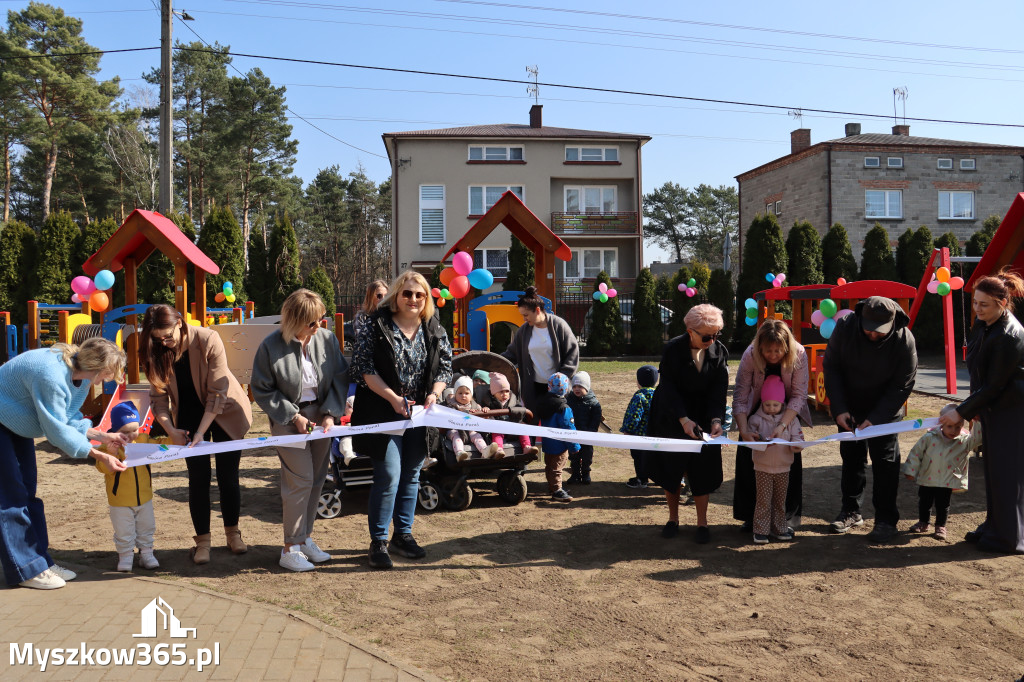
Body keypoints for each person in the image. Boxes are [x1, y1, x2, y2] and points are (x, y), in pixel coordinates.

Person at [0, 338, 129, 589]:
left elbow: (68, 417)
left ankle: (40, 562)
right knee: (10, 497)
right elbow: (56, 430)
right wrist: (99, 455)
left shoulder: (79, 378)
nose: (108, 379)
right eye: (108, 373)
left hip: (14, 422)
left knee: (28, 493)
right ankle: (26, 569)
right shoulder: (51, 375)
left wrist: (103, 436)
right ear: (97, 366)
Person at [351, 270, 453, 569]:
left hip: (420, 414)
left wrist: (435, 393)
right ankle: (379, 541)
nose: (413, 299)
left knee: (411, 475)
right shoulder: (376, 325)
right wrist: (394, 399)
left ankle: (403, 535)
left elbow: (445, 368)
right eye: (407, 293)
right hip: (384, 411)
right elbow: (363, 368)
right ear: (396, 295)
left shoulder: (434, 328)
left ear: (426, 300)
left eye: (419, 295)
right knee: (389, 475)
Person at [140, 304, 253, 564]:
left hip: (224, 412)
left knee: (228, 475)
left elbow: (218, 392)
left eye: (168, 336)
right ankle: (202, 541)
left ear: (179, 323)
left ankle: (233, 534)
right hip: (188, 415)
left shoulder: (208, 339)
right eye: (158, 338)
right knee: (198, 478)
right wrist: (171, 430)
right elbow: (158, 400)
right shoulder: (154, 349)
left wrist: (202, 432)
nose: (165, 343)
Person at [252, 289, 349, 572]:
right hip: (288, 420)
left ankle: (305, 538)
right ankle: (289, 548)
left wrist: (331, 414)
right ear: (293, 320)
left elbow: (340, 378)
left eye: (320, 319)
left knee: (318, 477)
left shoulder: (327, 340)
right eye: (311, 322)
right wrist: (293, 416)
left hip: (321, 416)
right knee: (300, 479)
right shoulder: (270, 345)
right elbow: (261, 388)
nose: (318, 326)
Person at [940, 266, 1024, 553]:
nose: (977, 309)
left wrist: (962, 411)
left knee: (1008, 473)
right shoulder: (985, 324)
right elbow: (980, 375)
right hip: (994, 408)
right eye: (975, 302)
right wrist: (971, 406)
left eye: (983, 304)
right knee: (993, 471)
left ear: (1002, 304)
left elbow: (995, 385)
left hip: (1012, 411)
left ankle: (1009, 537)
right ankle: (995, 526)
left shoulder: (1009, 336)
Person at [823, 296, 917, 542]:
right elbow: (831, 367)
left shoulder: (904, 340)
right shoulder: (845, 327)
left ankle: (886, 519)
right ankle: (851, 511)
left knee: (886, 463)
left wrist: (877, 418)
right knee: (851, 458)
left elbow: (902, 385)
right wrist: (840, 408)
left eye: (880, 332)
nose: (873, 335)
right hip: (850, 408)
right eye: (869, 330)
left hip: (884, 411)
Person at [645, 304, 729, 544]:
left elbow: (719, 390)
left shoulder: (719, 351)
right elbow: (668, 389)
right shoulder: (672, 350)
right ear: (690, 331)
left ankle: (702, 523)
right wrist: (683, 419)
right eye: (706, 336)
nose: (712, 340)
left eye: (716, 335)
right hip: (672, 415)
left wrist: (715, 420)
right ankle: (673, 519)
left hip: (703, 416)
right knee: (672, 468)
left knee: (702, 469)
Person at [732, 319, 811, 531]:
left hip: (787, 412)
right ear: (759, 348)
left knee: (788, 464)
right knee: (750, 464)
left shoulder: (799, 353)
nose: (773, 355)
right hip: (755, 407)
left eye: (778, 350)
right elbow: (740, 396)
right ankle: (752, 517)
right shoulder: (750, 355)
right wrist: (744, 430)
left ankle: (785, 519)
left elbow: (799, 395)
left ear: (787, 348)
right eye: (768, 351)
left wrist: (784, 426)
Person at [98, 402, 171, 572]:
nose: (131, 435)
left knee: (147, 526)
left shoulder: (144, 440)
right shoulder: (108, 445)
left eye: (134, 429)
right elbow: (102, 468)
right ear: (115, 430)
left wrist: (176, 439)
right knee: (123, 530)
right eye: (125, 432)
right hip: (120, 500)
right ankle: (125, 556)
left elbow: (163, 446)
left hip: (144, 498)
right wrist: (111, 454)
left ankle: (147, 554)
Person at [904, 404, 981, 542]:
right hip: (928, 477)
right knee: (925, 501)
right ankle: (923, 522)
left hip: (947, 480)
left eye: (958, 426)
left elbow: (977, 439)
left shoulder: (964, 441)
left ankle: (940, 526)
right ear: (941, 423)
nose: (954, 430)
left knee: (943, 504)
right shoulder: (929, 437)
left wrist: (977, 421)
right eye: (950, 426)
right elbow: (916, 453)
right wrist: (911, 470)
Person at [502, 286, 580, 414]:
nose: (524, 319)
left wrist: (562, 377)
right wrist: (493, 362)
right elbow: (511, 354)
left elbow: (572, 354)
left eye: (526, 315)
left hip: (557, 387)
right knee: (535, 419)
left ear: (537, 310)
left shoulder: (559, 326)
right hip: (534, 386)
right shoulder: (524, 331)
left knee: (555, 422)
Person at [747, 376, 805, 545]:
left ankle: (779, 528)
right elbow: (749, 442)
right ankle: (760, 530)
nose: (771, 408)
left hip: (784, 467)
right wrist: (760, 442)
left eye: (775, 405)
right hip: (762, 467)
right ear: (762, 403)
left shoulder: (791, 420)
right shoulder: (755, 420)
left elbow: (798, 439)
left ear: (782, 403)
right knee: (763, 500)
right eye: (767, 404)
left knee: (780, 500)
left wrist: (796, 447)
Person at [536, 373, 579, 502]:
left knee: (549, 465)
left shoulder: (543, 402)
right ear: (566, 389)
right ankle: (557, 490)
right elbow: (568, 428)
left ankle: (552, 486)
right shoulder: (563, 408)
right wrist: (574, 446)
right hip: (560, 445)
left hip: (548, 442)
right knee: (557, 467)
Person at [479, 372, 537, 457]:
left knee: (522, 428)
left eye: (507, 391)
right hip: (497, 427)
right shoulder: (488, 401)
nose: (505, 394)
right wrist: (485, 409)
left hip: (512, 426)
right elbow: (485, 414)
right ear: (493, 393)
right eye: (501, 392)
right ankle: (498, 449)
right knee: (497, 434)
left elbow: (520, 410)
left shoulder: (513, 400)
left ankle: (526, 447)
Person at [444, 376, 500, 461]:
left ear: (471, 395)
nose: (463, 396)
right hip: (454, 429)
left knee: (477, 435)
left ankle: (484, 450)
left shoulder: (475, 406)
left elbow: (484, 417)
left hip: (470, 429)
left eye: (466, 393)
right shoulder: (450, 404)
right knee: (456, 436)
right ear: (455, 394)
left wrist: (484, 411)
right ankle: (459, 453)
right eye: (460, 393)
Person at [621, 365, 657, 489]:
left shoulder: (639, 397)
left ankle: (642, 479)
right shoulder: (659, 395)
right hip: (656, 435)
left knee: (639, 458)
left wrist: (628, 429)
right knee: (655, 458)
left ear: (638, 382)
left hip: (639, 437)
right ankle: (658, 478)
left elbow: (634, 416)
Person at [566, 371, 602, 485]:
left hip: (587, 434)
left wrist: (592, 430)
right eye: (574, 386)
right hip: (573, 434)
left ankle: (586, 473)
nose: (577, 389)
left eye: (580, 386)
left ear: (586, 387)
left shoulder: (593, 402)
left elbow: (596, 417)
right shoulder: (569, 400)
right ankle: (575, 474)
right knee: (573, 455)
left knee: (587, 456)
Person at [352, 279, 388, 347]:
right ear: (370, 297)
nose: (383, 299)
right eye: (379, 296)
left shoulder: (392, 316)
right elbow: (362, 340)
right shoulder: (361, 317)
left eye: (386, 296)